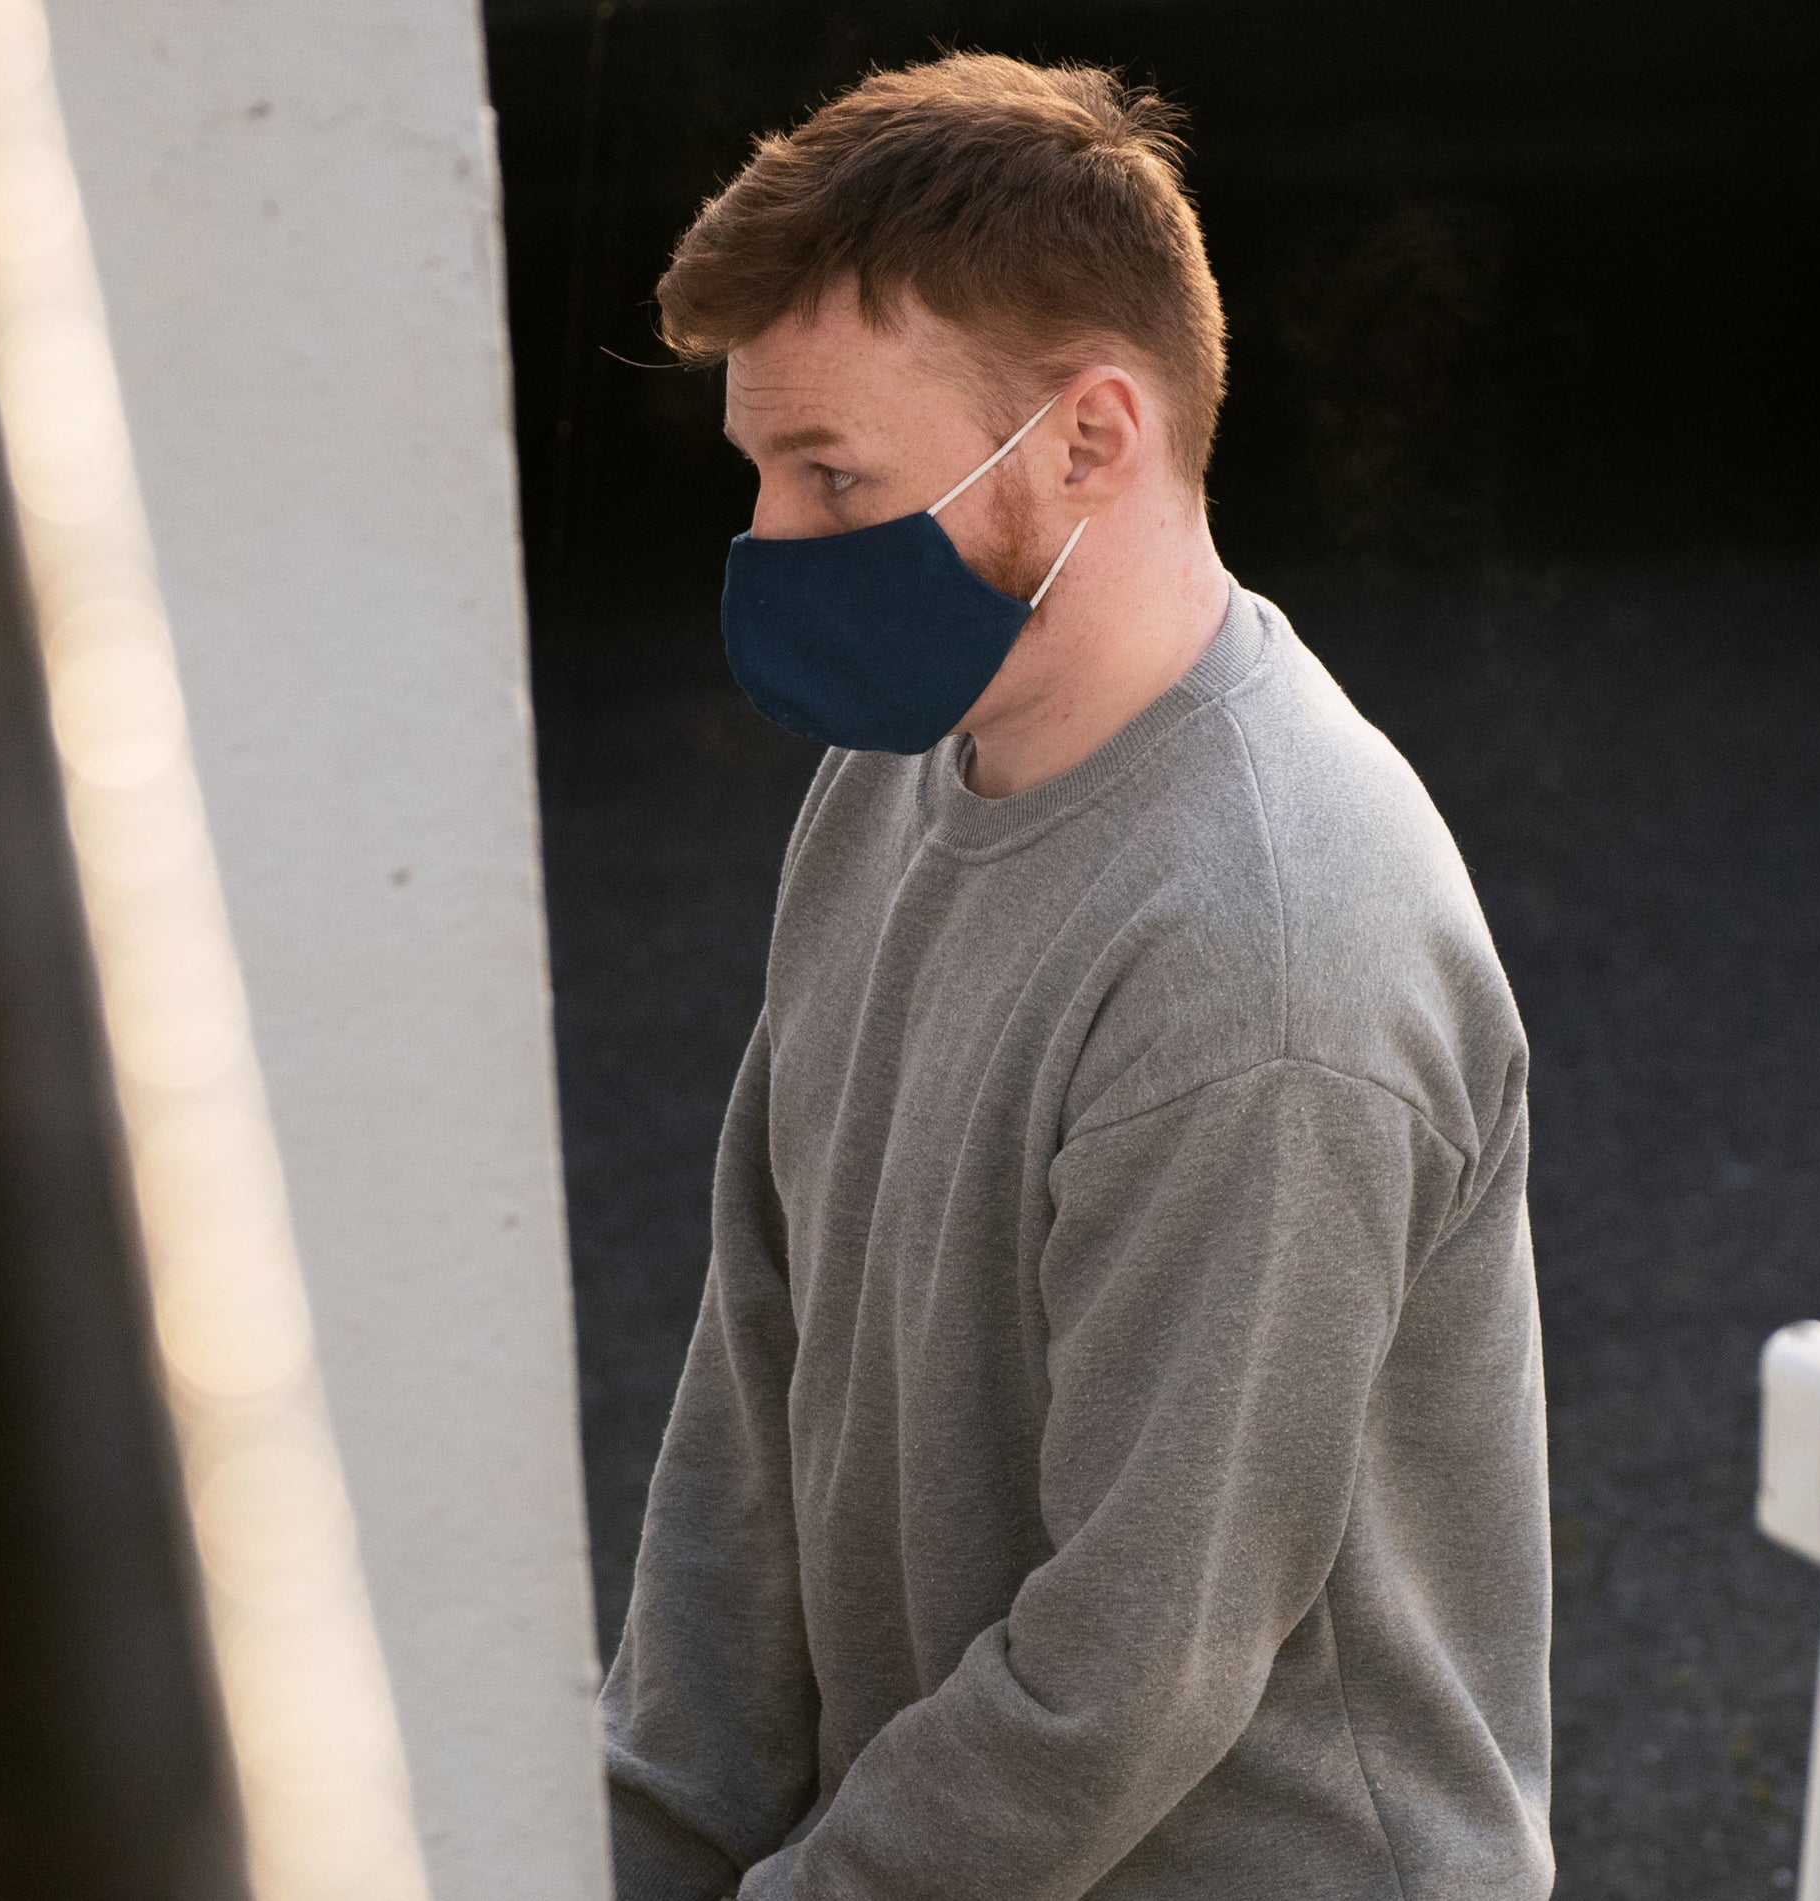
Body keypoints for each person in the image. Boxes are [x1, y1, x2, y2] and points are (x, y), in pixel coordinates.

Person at [599, 52, 1550, 1901]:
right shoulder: (889, 776)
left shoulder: (1270, 958)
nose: (770, 546)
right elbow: (756, 1366)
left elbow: (1133, 1662)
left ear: (1090, 438)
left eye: (833, 475)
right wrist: (629, 1836)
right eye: (759, 471)